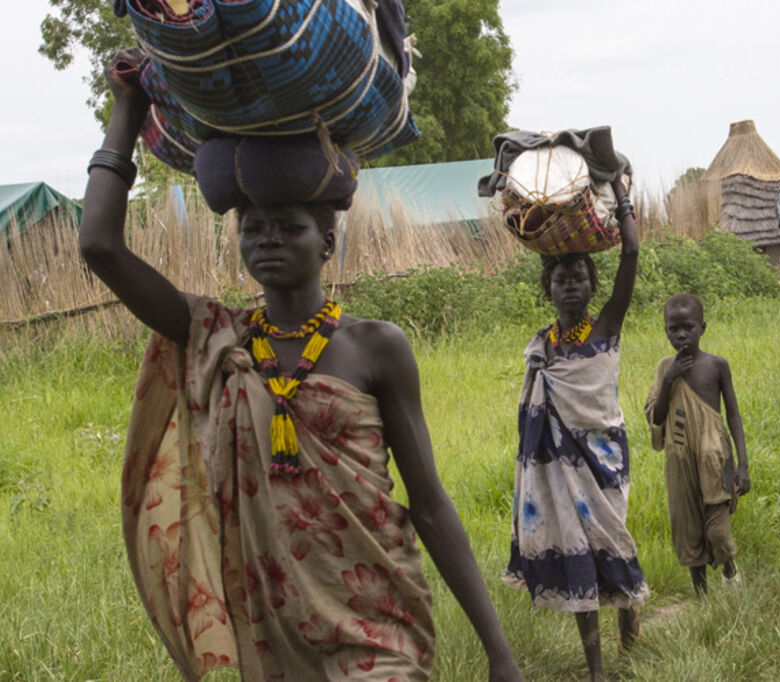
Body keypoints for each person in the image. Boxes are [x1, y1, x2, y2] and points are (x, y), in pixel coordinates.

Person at [78, 50, 522, 682]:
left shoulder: (376, 347)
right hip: (275, 635)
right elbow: (99, 245)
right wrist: (127, 109)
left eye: (288, 226)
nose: (267, 238)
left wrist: (499, 651)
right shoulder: (219, 338)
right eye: (252, 227)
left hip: (377, 622)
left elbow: (428, 504)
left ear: (328, 241)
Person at [503, 184, 647, 682]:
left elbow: (630, 255)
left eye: (579, 278)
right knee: (580, 556)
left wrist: (621, 197)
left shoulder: (605, 328)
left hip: (603, 458)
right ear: (547, 288)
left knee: (614, 542)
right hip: (556, 468)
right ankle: (596, 670)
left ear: (592, 285)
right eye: (560, 279)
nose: (569, 286)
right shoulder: (541, 346)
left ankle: (629, 617)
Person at [644, 293, 750, 596]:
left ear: (702, 327)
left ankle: (729, 567)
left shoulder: (717, 365)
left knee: (717, 531)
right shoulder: (664, 368)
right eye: (673, 329)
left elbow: (733, 414)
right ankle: (702, 597)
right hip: (679, 459)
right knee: (688, 528)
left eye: (688, 327)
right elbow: (657, 416)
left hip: (715, 457)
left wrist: (742, 464)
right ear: (665, 331)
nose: (681, 335)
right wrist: (669, 380)